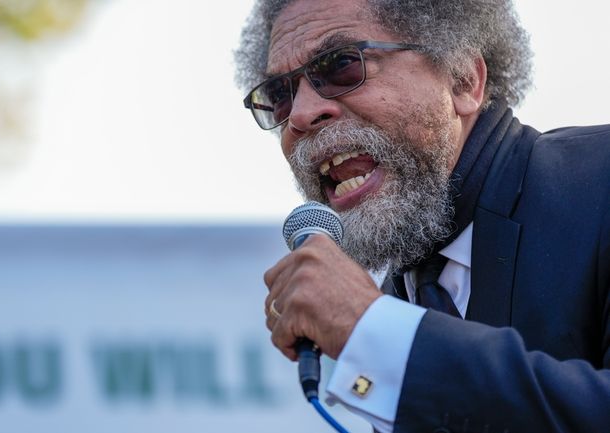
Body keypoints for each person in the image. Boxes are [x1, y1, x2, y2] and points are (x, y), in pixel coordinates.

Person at [235, 0, 610, 432]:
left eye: (341, 64)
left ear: (463, 79)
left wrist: (373, 329)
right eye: (279, 96)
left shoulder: (601, 182)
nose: (299, 116)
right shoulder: (400, 298)